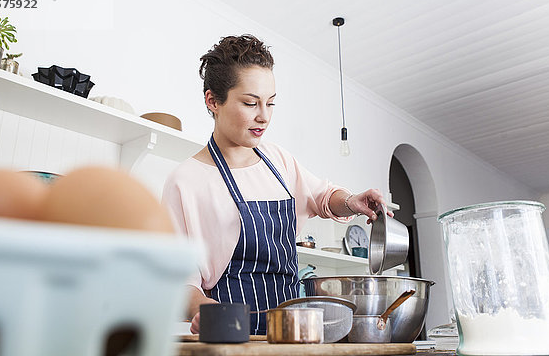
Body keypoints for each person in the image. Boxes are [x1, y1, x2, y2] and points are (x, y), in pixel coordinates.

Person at [162, 34, 391, 335]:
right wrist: (202, 310)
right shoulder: (185, 181)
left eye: (270, 103)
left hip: (291, 333)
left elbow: (322, 196)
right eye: (250, 103)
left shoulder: (277, 159)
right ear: (213, 101)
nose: (264, 117)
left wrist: (351, 201)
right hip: (230, 333)